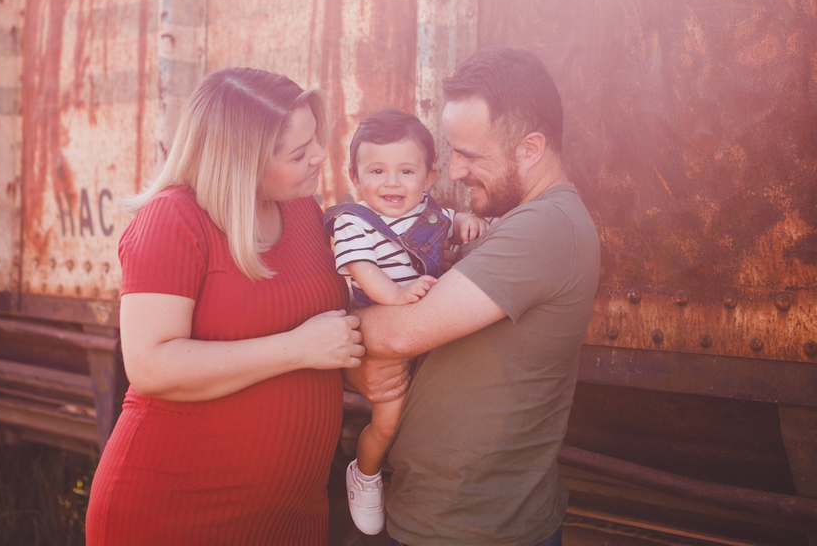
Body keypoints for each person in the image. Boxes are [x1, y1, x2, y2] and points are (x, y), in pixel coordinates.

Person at [85, 67, 366, 546]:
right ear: (242, 162)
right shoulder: (174, 218)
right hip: (175, 514)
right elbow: (150, 365)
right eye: (299, 152)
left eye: (315, 140)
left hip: (291, 516)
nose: (320, 155)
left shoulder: (302, 209)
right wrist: (298, 349)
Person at [348, 47, 600, 546]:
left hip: (475, 528)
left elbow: (400, 335)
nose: (455, 171)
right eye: (452, 152)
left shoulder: (546, 227)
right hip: (444, 514)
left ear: (530, 149)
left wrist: (334, 333)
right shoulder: (517, 222)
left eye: (470, 155)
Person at [321, 108, 488, 534]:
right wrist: (396, 296)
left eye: (406, 171)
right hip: (385, 328)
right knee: (388, 422)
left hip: (426, 333)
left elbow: (451, 222)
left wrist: (468, 222)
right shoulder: (353, 222)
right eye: (377, 171)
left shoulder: (430, 213)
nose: (392, 183)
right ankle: (365, 472)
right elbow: (362, 270)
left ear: (429, 179)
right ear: (356, 177)